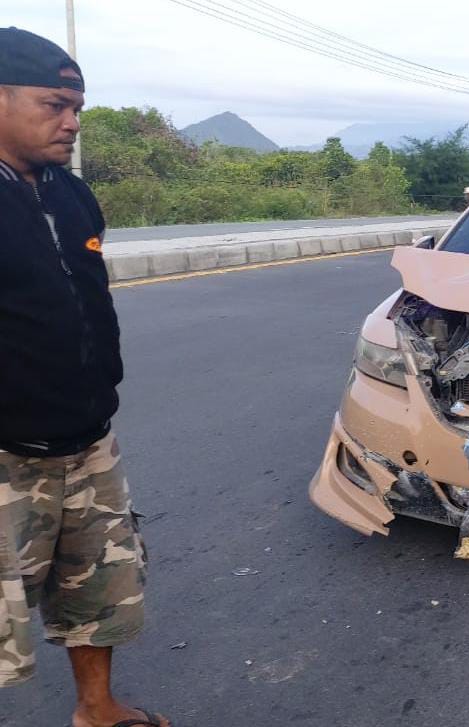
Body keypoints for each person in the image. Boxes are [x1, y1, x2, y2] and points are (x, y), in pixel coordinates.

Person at [0, 28, 170, 727]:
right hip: (7, 457)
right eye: (53, 104)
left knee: (99, 588)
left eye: (77, 106)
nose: (71, 121)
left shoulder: (71, 194)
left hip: (89, 442)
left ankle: (96, 709)